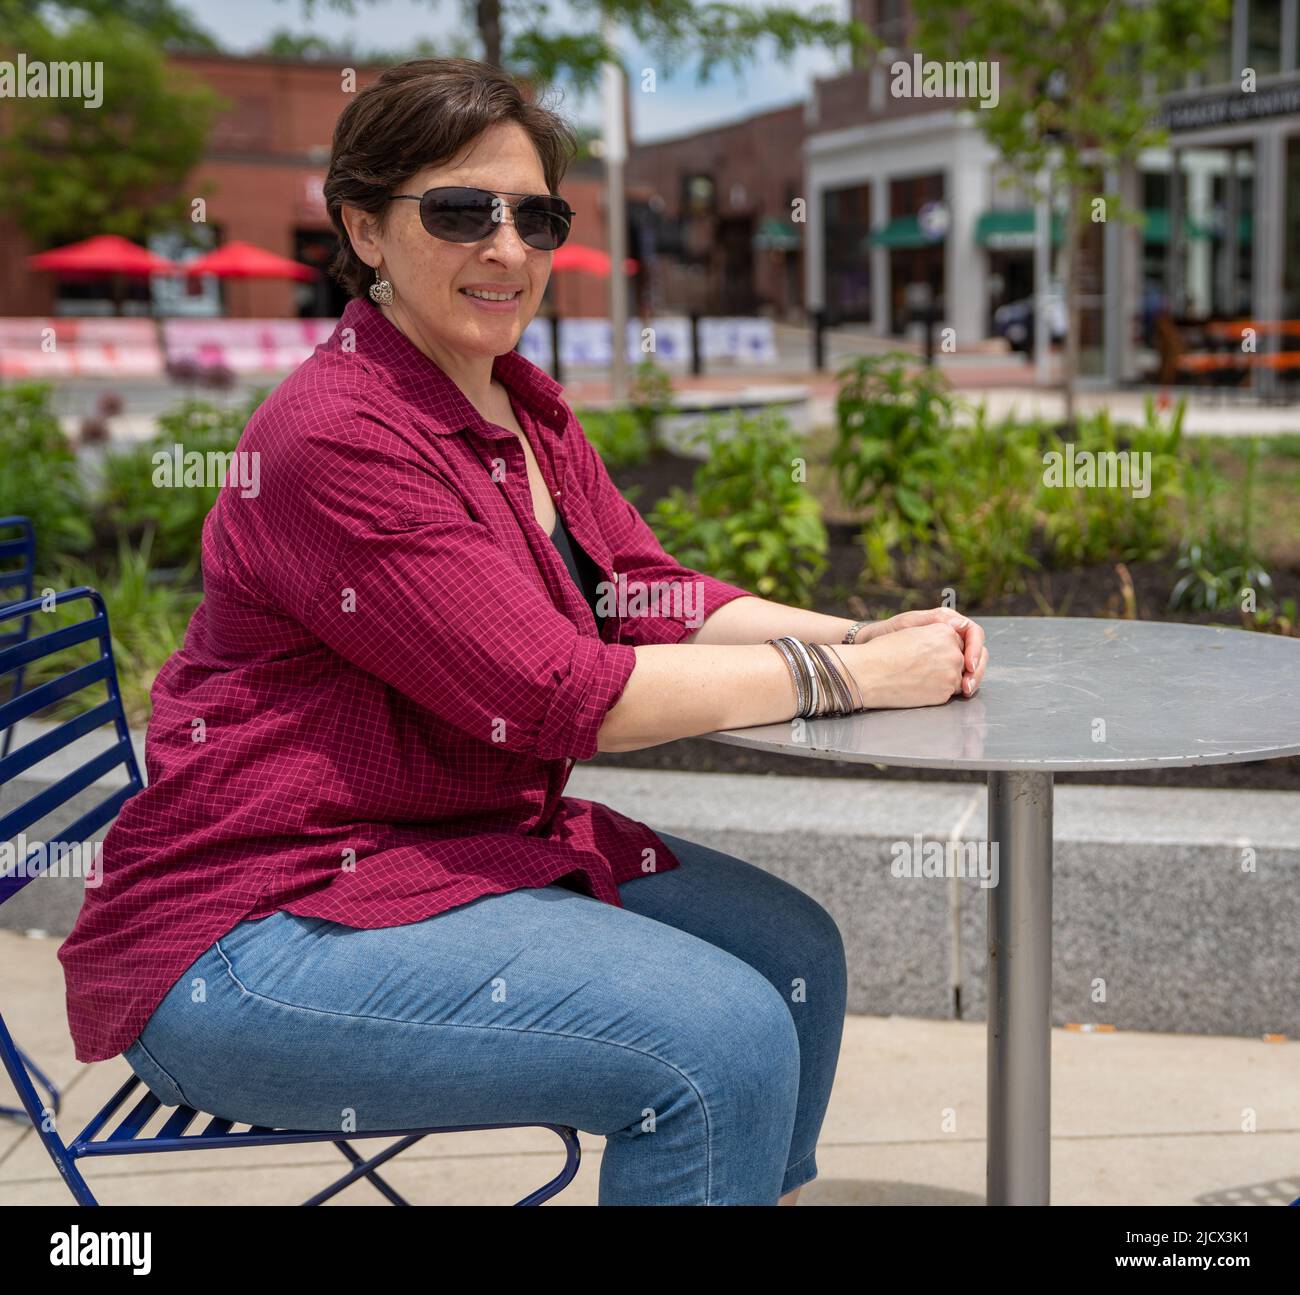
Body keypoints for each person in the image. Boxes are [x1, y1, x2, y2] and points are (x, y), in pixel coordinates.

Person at [57, 57, 987, 1206]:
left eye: (536, 216)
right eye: (460, 211)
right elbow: (556, 689)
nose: (508, 247)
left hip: (445, 850)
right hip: (249, 932)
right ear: (365, 228)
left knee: (792, 955)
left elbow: (641, 587)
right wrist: (845, 680)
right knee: (724, 1038)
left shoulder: (515, 399)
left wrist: (862, 629)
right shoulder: (339, 435)